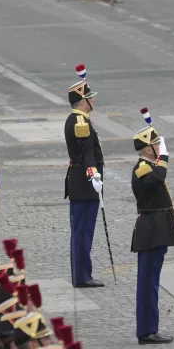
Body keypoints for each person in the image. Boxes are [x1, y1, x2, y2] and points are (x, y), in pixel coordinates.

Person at [130, 115, 174, 345]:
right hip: (150, 231)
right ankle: (147, 330)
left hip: (155, 230)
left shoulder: (149, 164)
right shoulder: (143, 167)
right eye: (156, 144)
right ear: (148, 149)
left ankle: (149, 328)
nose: (160, 147)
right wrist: (165, 156)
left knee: (150, 281)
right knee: (148, 283)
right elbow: (158, 179)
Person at [63, 66, 104, 288]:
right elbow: (87, 151)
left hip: (81, 182)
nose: (93, 102)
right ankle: (82, 276)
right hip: (85, 183)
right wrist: (93, 174)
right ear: (82, 102)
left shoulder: (78, 120)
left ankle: (81, 274)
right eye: (89, 98)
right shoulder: (80, 122)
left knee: (82, 231)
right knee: (82, 232)